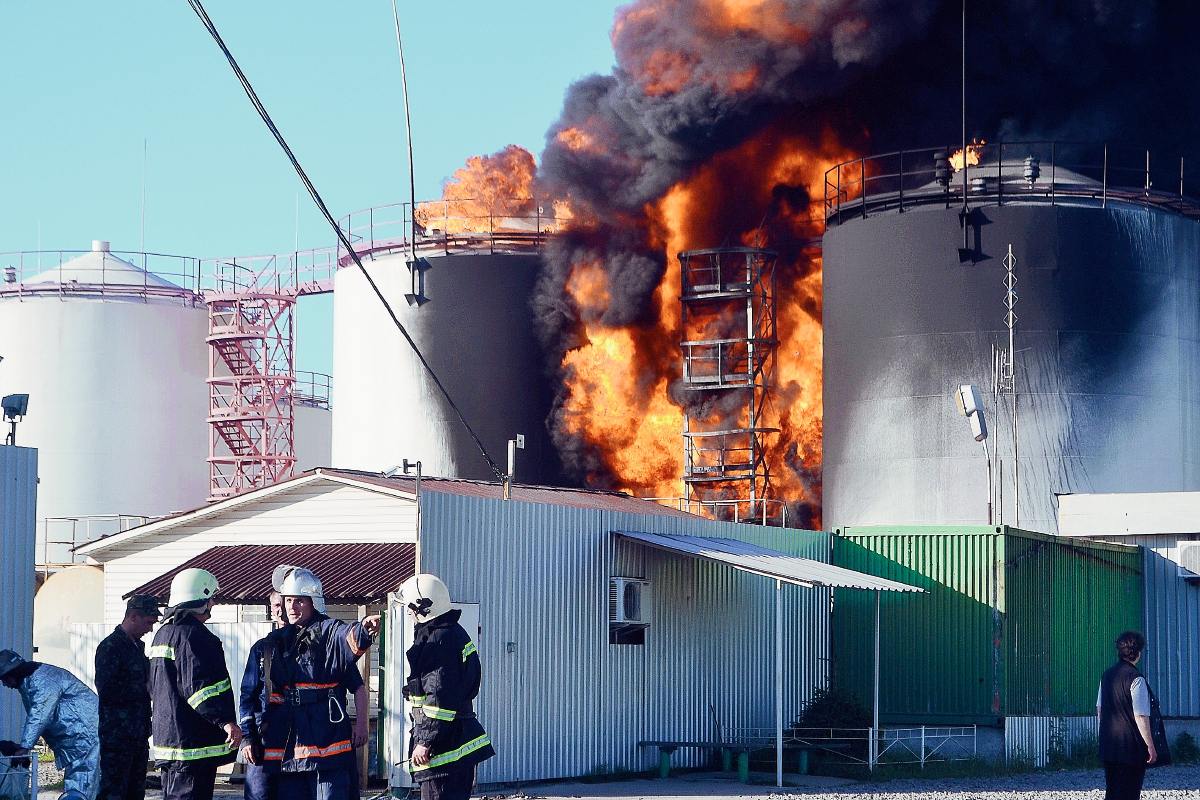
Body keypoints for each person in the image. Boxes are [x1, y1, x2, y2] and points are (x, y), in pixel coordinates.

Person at [258, 567, 381, 800]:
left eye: (299, 601)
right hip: (291, 748)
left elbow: (348, 637)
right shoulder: (277, 641)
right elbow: (269, 690)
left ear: (313, 602)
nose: (292, 607)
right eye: (289, 600)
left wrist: (364, 630)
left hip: (326, 742)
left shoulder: (329, 630)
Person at [150, 568, 242, 800]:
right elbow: (199, 688)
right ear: (200, 600)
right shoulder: (194, 636)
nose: (213, 604)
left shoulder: (163, 634)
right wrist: (225, 722)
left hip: (170, 744)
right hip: (192, 747)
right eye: (210, 598)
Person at [400, 574, 493, 800]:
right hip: (454, 740)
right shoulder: (452, 633)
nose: (409, 613)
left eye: (410, 608)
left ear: (422, 608)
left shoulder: (439, 640)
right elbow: (447, 685)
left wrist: (425, 741)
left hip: (444, 748)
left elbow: (439, 699)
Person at [0, 649, 100, 800]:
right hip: (79, 738)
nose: (4, 684)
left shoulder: (42, 680)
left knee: (81, 787)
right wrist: (22, 747)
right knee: (85, 785)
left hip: (85, 738)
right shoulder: (31, 681)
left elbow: (40, 714)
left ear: (12, 673)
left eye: (4, 678)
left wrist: (25, 746)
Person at [95, 594, 162, 800]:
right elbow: (107, 689)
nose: (150, 629)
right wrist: (144, 688)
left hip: (138, 735)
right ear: (133, 616)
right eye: (148, 622)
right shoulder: (111, 647)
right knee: (114, 792)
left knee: (135, 792)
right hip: (117, 737)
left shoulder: (137, 648)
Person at [1098, 630, 1157, 800]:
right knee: (1129, 793)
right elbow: (1140, 715)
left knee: (1112, 791)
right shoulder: (1136, 679)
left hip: (1109, 745)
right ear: (1138, 653)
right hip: (1131, 748)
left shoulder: (1107, 676)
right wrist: (1150, 745)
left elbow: (1100, 709)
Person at [239, 591, 285, 800]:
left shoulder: (310, 645)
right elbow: (248, 695)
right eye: (276, 605)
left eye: (285, 604)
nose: (281, 611)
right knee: (259, 795)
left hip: (299, 739)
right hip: (264, 738)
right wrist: (248, 737)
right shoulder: (261, 649)